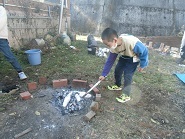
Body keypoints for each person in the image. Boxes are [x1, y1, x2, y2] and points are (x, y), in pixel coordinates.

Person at [99, 28, 148, 103]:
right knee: (117, 70)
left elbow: (144, 51)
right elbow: (110, 61)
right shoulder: (113, 47)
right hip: (124, 56)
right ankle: (117, 85)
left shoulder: (132, 43)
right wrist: (104, 74)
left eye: (108, 44)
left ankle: (126, 95)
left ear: (115, 40)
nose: (108, 47)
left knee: (127, 75)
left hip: (133, 58)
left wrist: (142, 65)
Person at [0, 6, 27, 80]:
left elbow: (1, 23)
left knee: (9, 56)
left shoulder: (1, 9)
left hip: (1, 38)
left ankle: (20, 72)